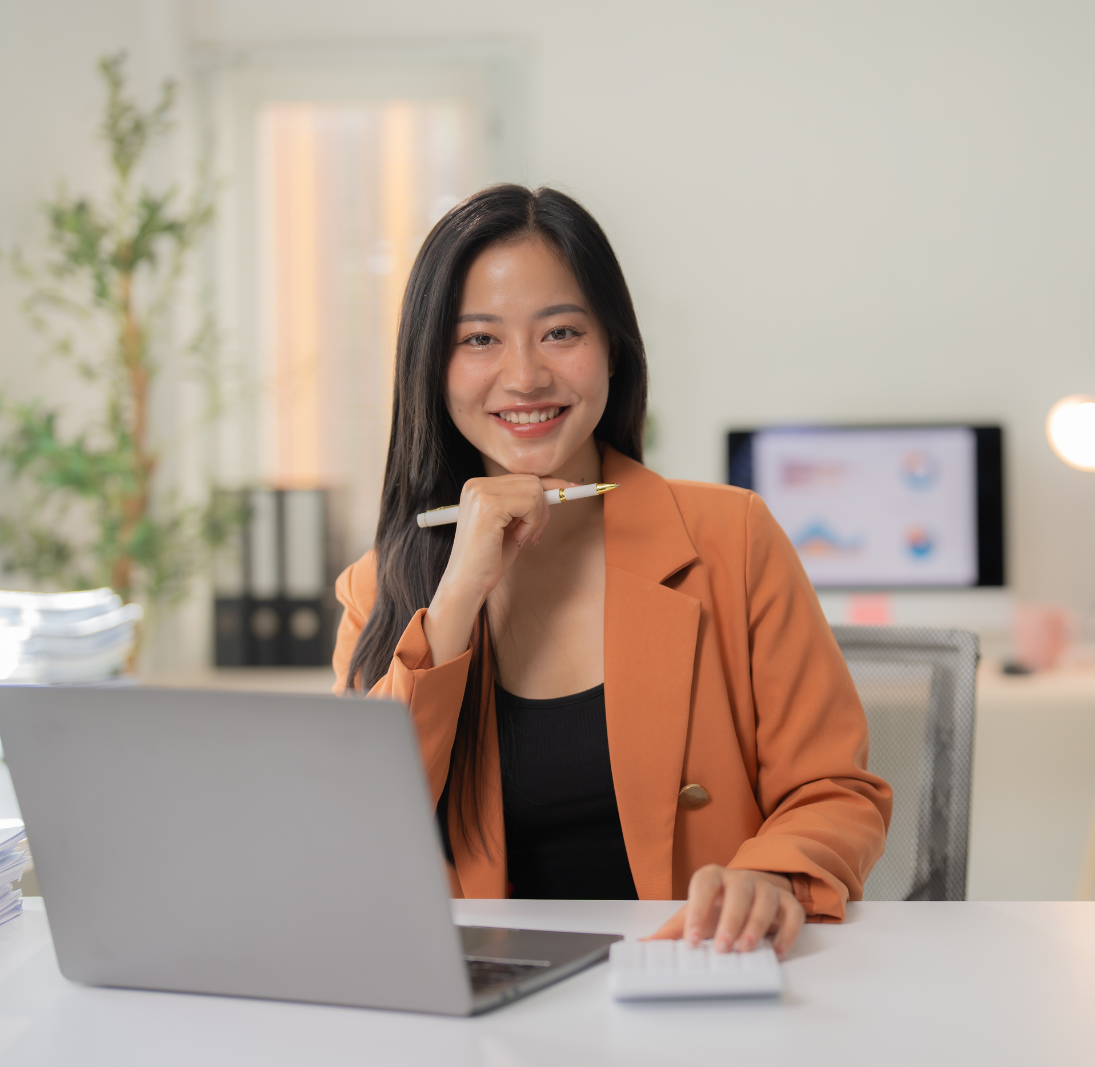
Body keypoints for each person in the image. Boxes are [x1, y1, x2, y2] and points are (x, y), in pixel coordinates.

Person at [333, 184, 891, 958]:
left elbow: (834, 789)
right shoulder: (381, 586)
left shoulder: (732, 537)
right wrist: (455, 597)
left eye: (560, 332)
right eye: (479, 340)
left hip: (696, 971)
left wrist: (772, 876)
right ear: (431, 368)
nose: (525, 377)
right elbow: (357, 836)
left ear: (614, 347)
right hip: (488, 1004)